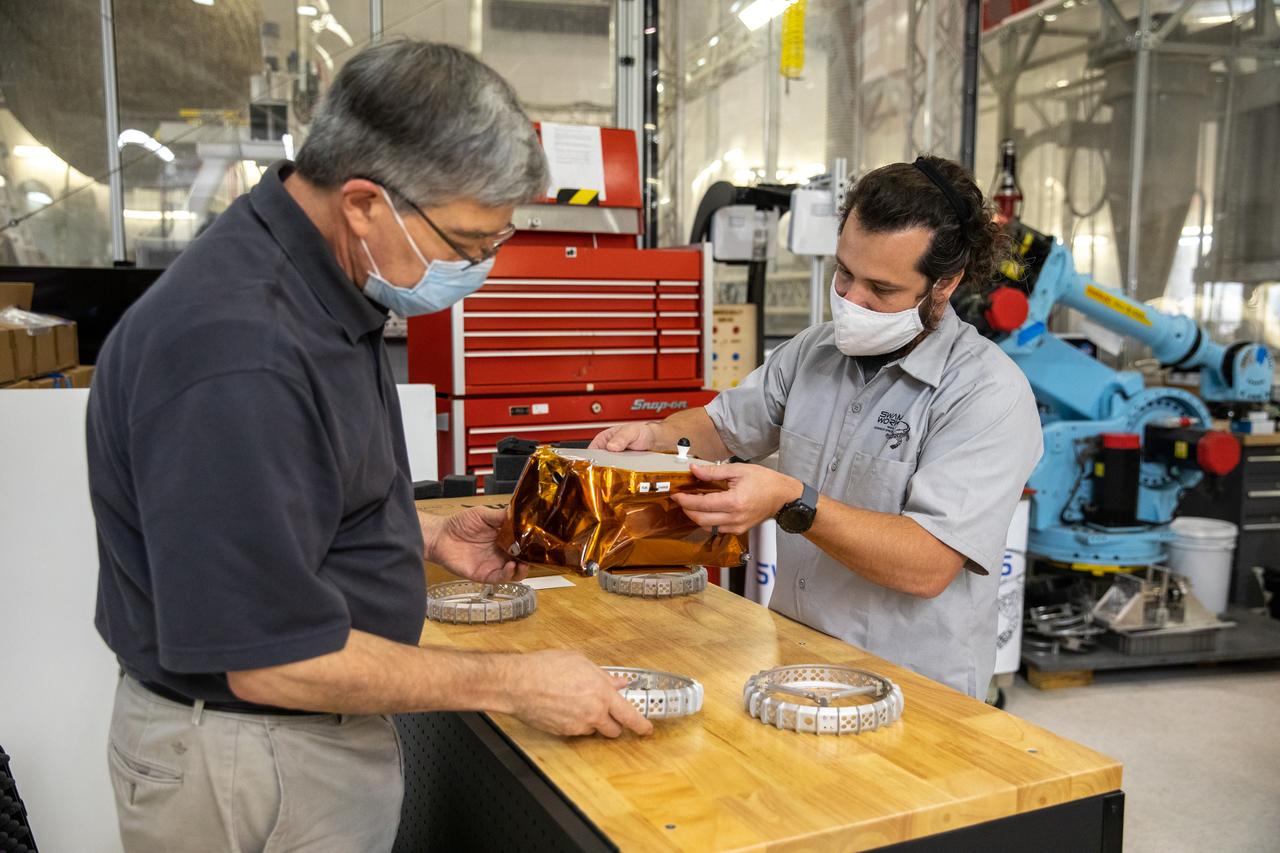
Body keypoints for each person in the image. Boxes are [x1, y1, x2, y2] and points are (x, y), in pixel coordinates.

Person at [88, 40, 650, 853]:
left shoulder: (316, 281)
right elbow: (268, 656)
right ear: (362, 203)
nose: (478, 270)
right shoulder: (241, 350)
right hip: (249, 763)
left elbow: (283, 511)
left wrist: (415, 536)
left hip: (289, 742)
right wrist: (513, 683)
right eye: (465, 244)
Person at [592, 156, 1042, 699]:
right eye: (845, 272)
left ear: (945, 284)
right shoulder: (813, 352)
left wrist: (792, 501)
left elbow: (927, 565)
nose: (851, 300)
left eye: (881, 287)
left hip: (912, 692)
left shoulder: (987, 393)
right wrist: (658, 436)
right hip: (796, 661)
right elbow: (721, 427)